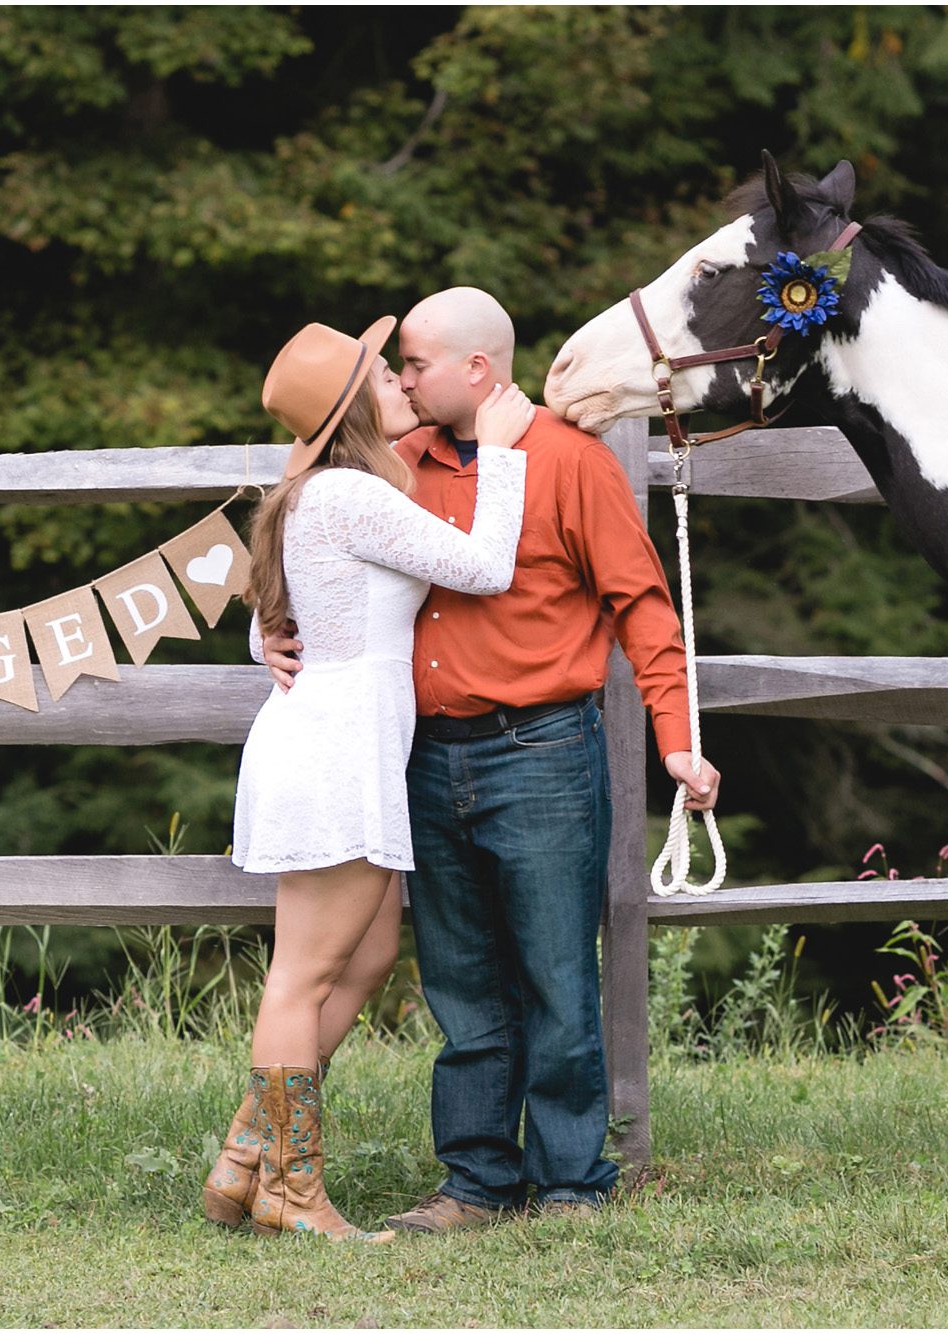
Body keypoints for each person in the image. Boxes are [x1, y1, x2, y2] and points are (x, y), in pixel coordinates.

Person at [261, 288, 722, 1232]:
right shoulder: (395, 467)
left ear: (478, 369)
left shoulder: (571, 462)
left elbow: (641, 604)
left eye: (416, 364)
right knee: (461, 985)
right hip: (422, 755)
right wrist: (271, 634)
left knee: (557, 974)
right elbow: (309, 564)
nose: (403, 381)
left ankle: (570, 1183)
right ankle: (474, 1182)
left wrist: (677, 739)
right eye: (395, 370)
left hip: (539, 750)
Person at [203, 316, 535, 1241]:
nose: (403, 383)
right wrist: (502, 454)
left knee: (370, 957)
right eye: (385, 376)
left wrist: (266, 643)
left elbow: (281, 616)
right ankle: (293, 1194)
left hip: (347, 742)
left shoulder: (316, 494)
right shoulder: (348, 492)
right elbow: (485, 567)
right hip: (337, 749)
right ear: (354, 406)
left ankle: (246, 1157)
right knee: (302, 977)